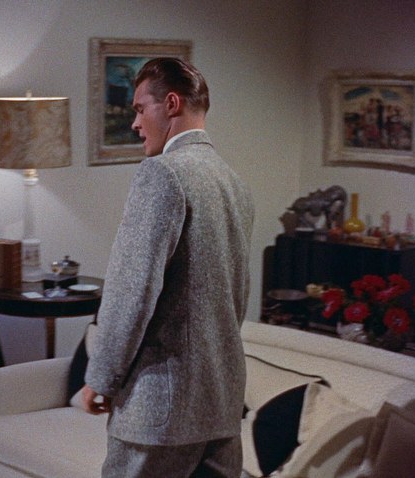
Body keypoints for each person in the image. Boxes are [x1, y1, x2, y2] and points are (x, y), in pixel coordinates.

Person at [82, 57, 255, 477]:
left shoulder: (162, 174)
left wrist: (101, 377)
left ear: (172, 104)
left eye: (141, 109)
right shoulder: (233, 182)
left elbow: (131, 292)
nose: (135, 123)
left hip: (161, 410)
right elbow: (237, 297)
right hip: (220, 404)